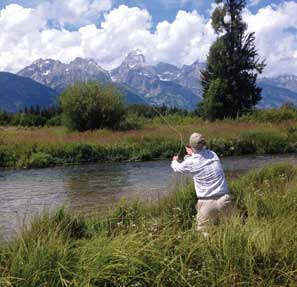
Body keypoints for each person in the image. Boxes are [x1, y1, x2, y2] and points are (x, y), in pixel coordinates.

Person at [171, 132, 232, 235]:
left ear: (191, 146)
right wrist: (193, 153)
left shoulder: (190, 162)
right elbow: (202, 156)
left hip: (207, 203)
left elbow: (177, 168)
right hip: (225, 199)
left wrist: (174, 160)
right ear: (204, 144)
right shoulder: (213, 154)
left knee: (203, 233)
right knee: (233, 227)